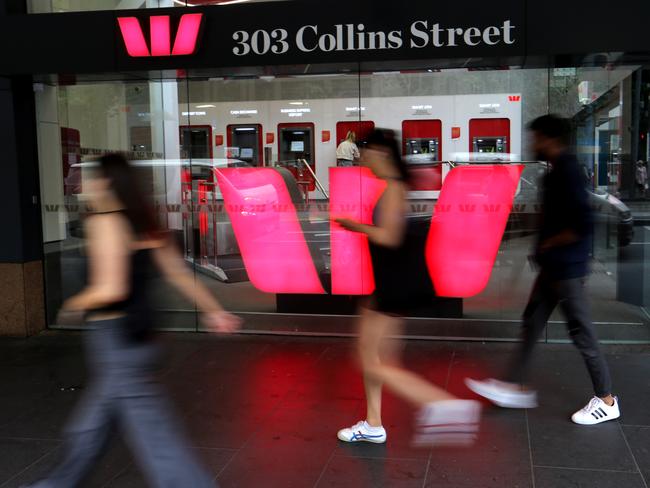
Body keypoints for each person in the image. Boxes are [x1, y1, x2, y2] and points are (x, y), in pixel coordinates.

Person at [28, 154, 241, 488]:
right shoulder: (140, 222)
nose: (83, 186)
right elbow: (178, 274)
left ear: (107, 183)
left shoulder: (106, 222)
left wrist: (74, 302)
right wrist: (214, 310)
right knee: (89, 428)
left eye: (91, 178)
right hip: (139, 339)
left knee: (155, 436)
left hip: (115, 340)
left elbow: (110, 288)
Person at [466, 115, 620, 425]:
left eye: (536, 137)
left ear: (550, 139)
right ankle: (512, 386)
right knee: (532, 324)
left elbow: (581, 223)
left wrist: (549, 243)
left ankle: (606, 400)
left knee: (581, 332)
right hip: (554, 268)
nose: (532, 143)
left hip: (567, 269)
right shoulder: (555, 173)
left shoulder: (568, 172)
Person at [335, 129, 481, 446]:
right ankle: (374, 423)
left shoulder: (392, 189)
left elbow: (389, 237)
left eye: (366, 151)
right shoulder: (396, 186)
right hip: (390, 285)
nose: (362, 157)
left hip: (391, 288)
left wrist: (353, 225)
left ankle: (443, 404)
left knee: (368, 359)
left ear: (382, 154)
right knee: (377, 358)